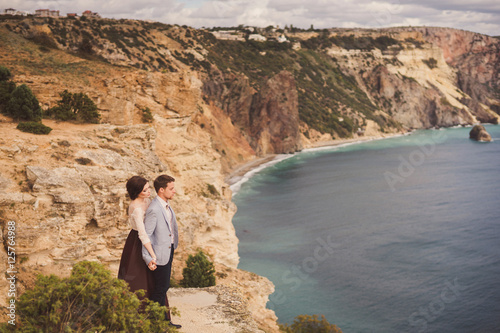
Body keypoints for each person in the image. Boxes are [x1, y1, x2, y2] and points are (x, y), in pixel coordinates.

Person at [142, 174, 181, 329]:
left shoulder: (165, 204)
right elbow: (146, 235)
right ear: (161, 190)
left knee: (163, 288)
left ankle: (164, 322)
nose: (174, 191)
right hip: (158, 255)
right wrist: (148, 257)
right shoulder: (154, 209)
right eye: (171, 189)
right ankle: (156, 324)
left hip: (168, 251)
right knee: (160, 288)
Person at [118, 176, 157, 299]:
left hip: (149, 239)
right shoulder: (136, 209)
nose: (148, 191)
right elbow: (142, 234)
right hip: (137, 242)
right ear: (136, 192)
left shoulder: (147, 200)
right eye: (145, 190)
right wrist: (152, 255)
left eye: (148, 188)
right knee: (137, 277)